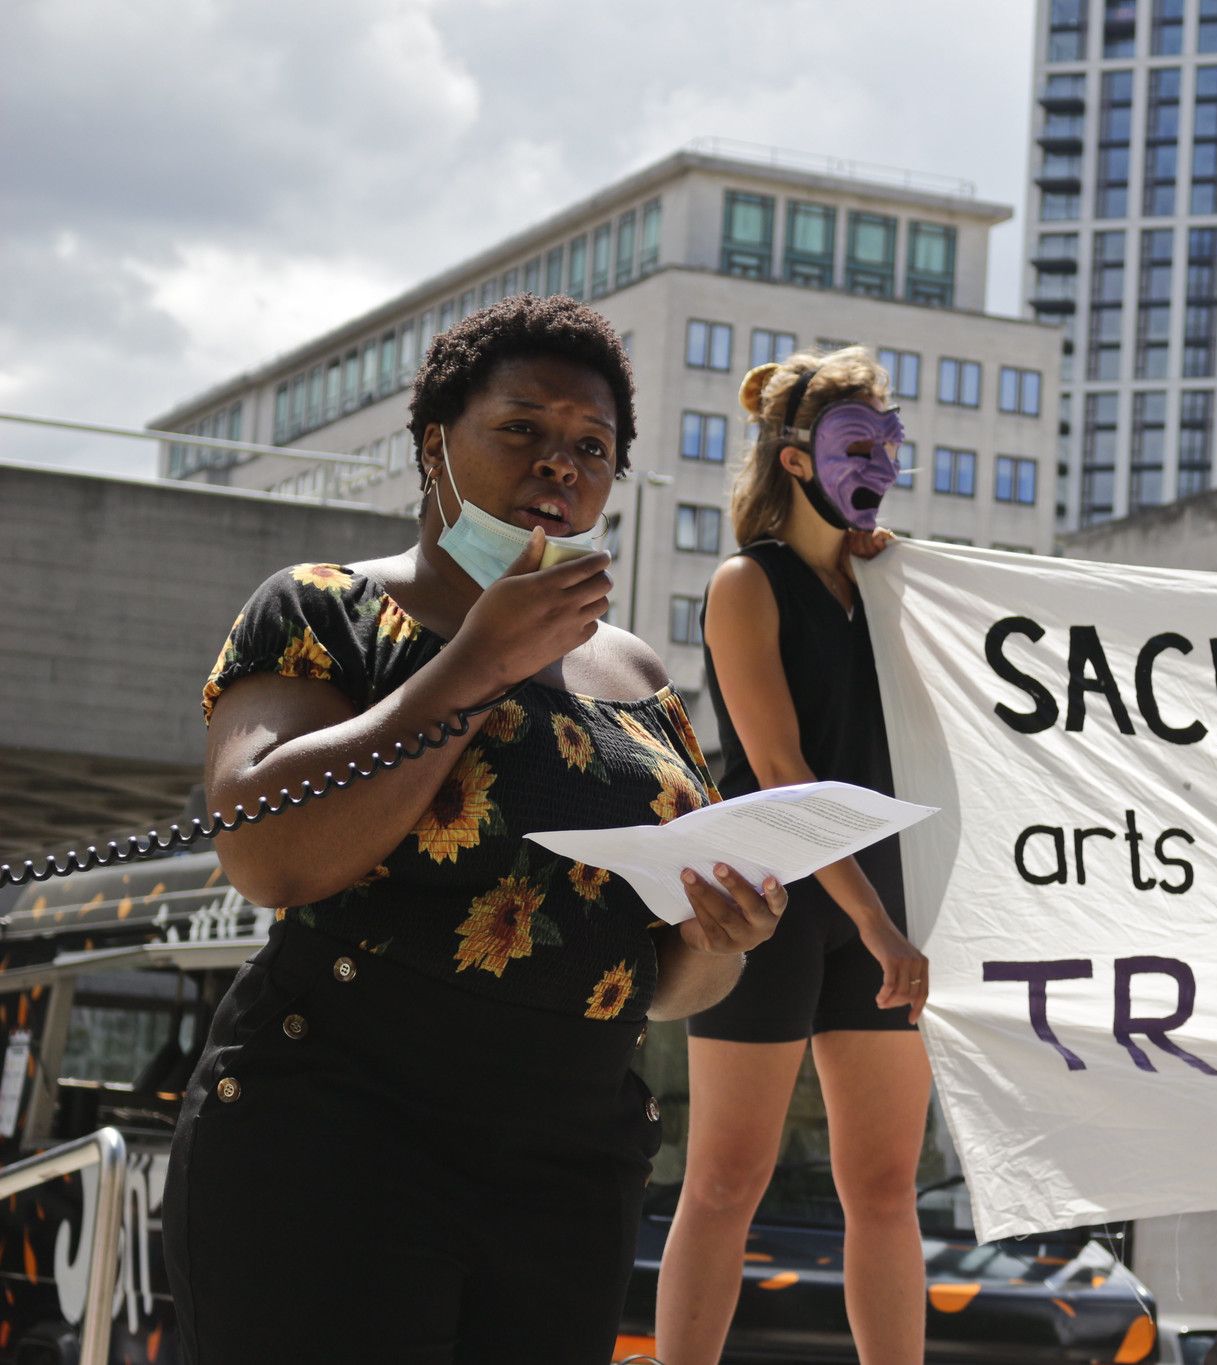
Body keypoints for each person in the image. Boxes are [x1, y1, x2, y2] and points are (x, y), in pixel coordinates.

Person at [164, 294, 787, 1365]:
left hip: (566, 1169)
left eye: (590, 446)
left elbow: (667, 982)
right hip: (337, 1140)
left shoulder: (639, 679)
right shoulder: (324, 609)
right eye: (523, 430)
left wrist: (716, 936)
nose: (560, 464)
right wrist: (470, 670)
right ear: (432, 447)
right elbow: (268, 854)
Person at [655, 348, 931, 1364]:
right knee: (726, 1182)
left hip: (880, 899)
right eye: (859, 444)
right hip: (761, 899)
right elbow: (780, 768)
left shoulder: (883, 585)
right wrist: (874, 921)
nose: (881, 463)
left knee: (885, 1191)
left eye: (890, 444)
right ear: (796, 459)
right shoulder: (744, 583)